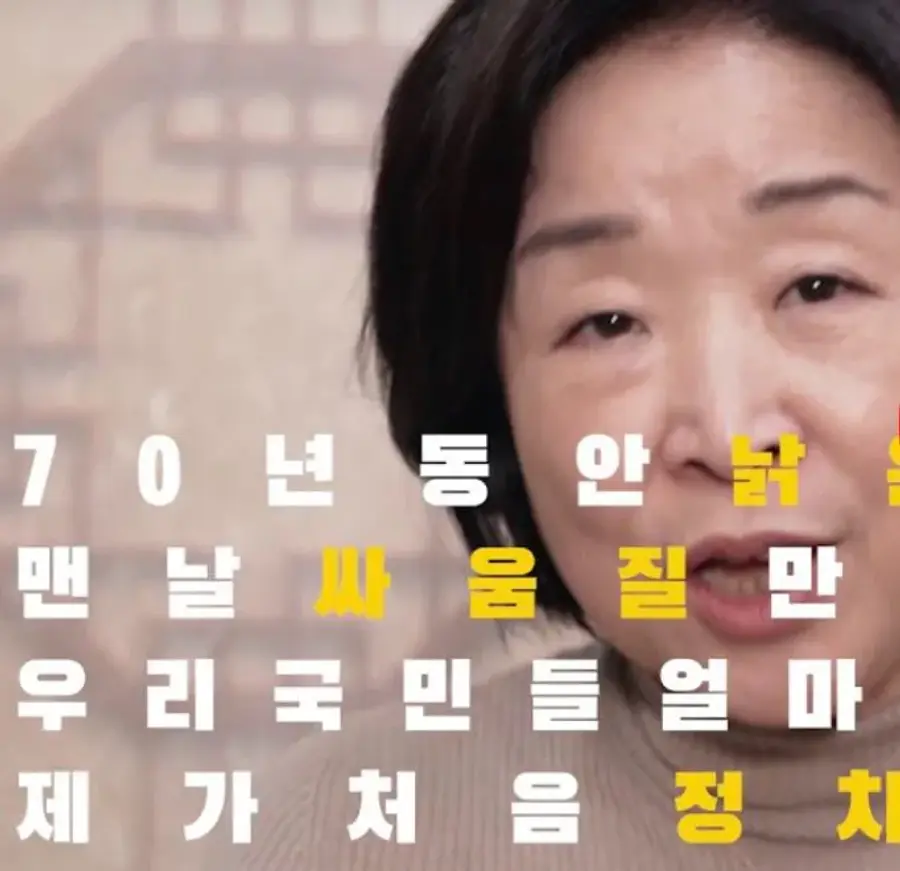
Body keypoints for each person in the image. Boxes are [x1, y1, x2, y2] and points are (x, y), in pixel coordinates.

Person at [227, 0, 900, 867]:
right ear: (493, 406)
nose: (727, 433)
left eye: (818, 287)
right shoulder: (344, 832)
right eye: (608, 322)